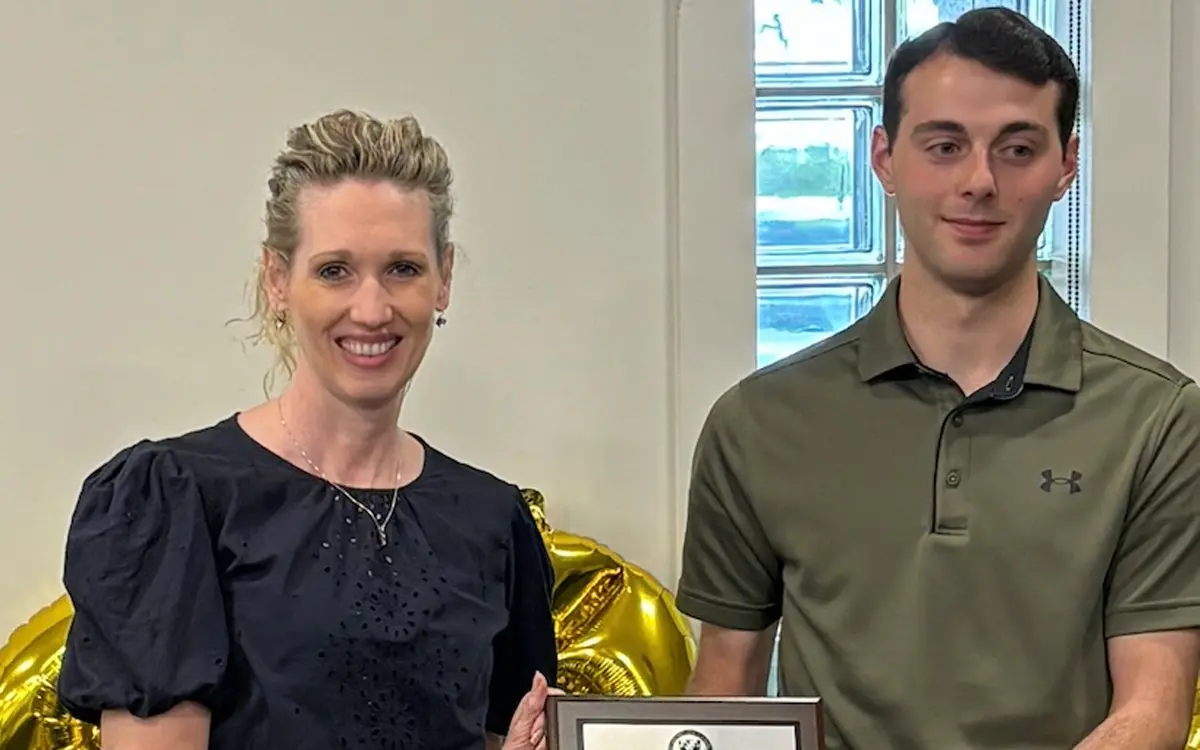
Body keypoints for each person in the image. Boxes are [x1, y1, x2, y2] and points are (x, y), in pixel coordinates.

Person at [675, 8, 1200, 750]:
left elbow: (1153, 711)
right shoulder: (756, 423)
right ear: (885, 158)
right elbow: (722, 698)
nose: (980, 181)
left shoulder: (1160, 420)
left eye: (1018, 148)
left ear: (1066, 166)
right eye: (945, 145)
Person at [56, 109, 559, 750]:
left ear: (445, 280)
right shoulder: (179, 499)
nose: (372, 309)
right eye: (334, 270)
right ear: (277, 281)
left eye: (403, 268)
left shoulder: (493, 521)